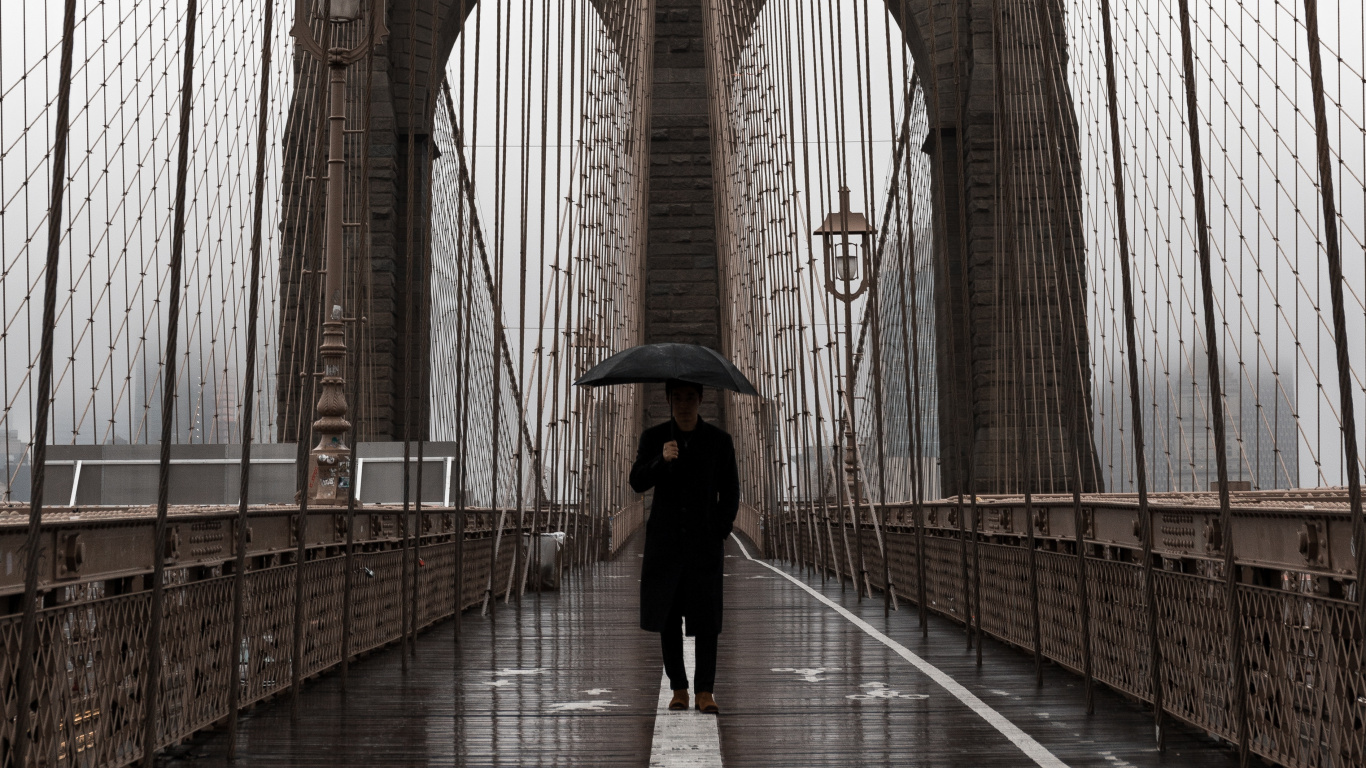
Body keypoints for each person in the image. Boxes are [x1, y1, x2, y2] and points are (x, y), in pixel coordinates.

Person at [629, 379, 740, 714]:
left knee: (707, 619)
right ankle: (679, 689)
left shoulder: (719, 442)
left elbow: (731, 492)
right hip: (665, 546)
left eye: (690, 397)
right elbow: (637, 482)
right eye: (677, 397)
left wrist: (718, 530)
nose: (684, 404)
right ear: (667, 400)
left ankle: (706, 691)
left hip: (703, 546)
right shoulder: (654, 438)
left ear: (701, 399)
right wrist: (661, 460)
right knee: (668, 618)